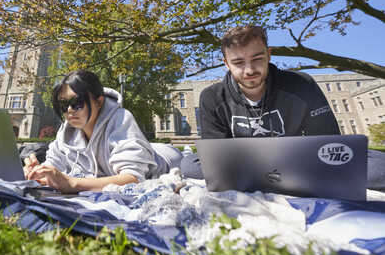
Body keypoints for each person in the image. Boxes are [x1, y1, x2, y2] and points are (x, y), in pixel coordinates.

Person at [181, 25, 340, 178]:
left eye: (257, 59)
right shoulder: (212, 97)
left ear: (269, 55)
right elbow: (214, 156)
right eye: (238, 63)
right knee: (190, 165)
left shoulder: (302, 85)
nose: (249, 70)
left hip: (293, 160)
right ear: (226, 63)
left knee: (360, 163)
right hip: (242, 163)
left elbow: (328, 142)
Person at [24, 70, 183, 193]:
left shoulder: (121, 119)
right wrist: (38, 172)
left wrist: (73, 183)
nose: (70, 111)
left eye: (77, 103)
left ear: (99, 102)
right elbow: (54, 166)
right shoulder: (67, 130)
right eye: (64, 105)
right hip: (135, 151)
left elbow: (133, 179)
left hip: (167, 157)